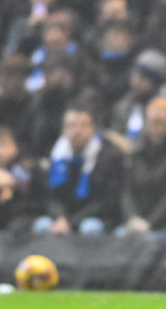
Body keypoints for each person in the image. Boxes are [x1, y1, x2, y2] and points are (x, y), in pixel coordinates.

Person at [34, 95, 124, 236]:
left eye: (83, 125)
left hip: (96, 217)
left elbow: (107, 202)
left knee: (89, 228)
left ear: (92, 129)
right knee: (42, 225)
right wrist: (60, 218)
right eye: (72, 126)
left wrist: (71, 222)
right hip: (64, 218)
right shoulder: (57, 156)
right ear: (64, 130)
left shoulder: (108, 156)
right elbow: (50, 197)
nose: (77, 131)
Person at [119, 96, 166, 240]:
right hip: (137, 221)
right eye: (152, 122)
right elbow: (126, 190)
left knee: (148, 241)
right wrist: (133, 218)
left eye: (161, 122)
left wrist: (149, 223)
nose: (156, 127)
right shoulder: (136, 151)